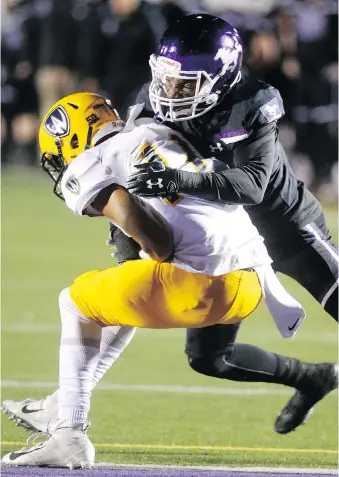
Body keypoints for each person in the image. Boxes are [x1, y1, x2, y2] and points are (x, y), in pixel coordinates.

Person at [2, 91, 307, 468]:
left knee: (75, 302)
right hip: (250, 283)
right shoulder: (155, 131)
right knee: (118, 293)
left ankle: (69, 432)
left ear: (74, 136)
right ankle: (60, 403)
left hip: (203, 283)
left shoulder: (90, 163)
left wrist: (155, 248)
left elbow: (143, 225)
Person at [123, 13, 338, 435]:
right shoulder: (150, 104)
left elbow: (253, 185)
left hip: (286, 229)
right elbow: (128, 175)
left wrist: (177, 179)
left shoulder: (252, 101)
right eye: (167, 78)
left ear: (221, 77)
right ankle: (311, 378)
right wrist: (124, 233)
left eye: (186, 82)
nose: (171, 91)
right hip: (226, 244)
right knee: (209, 358)